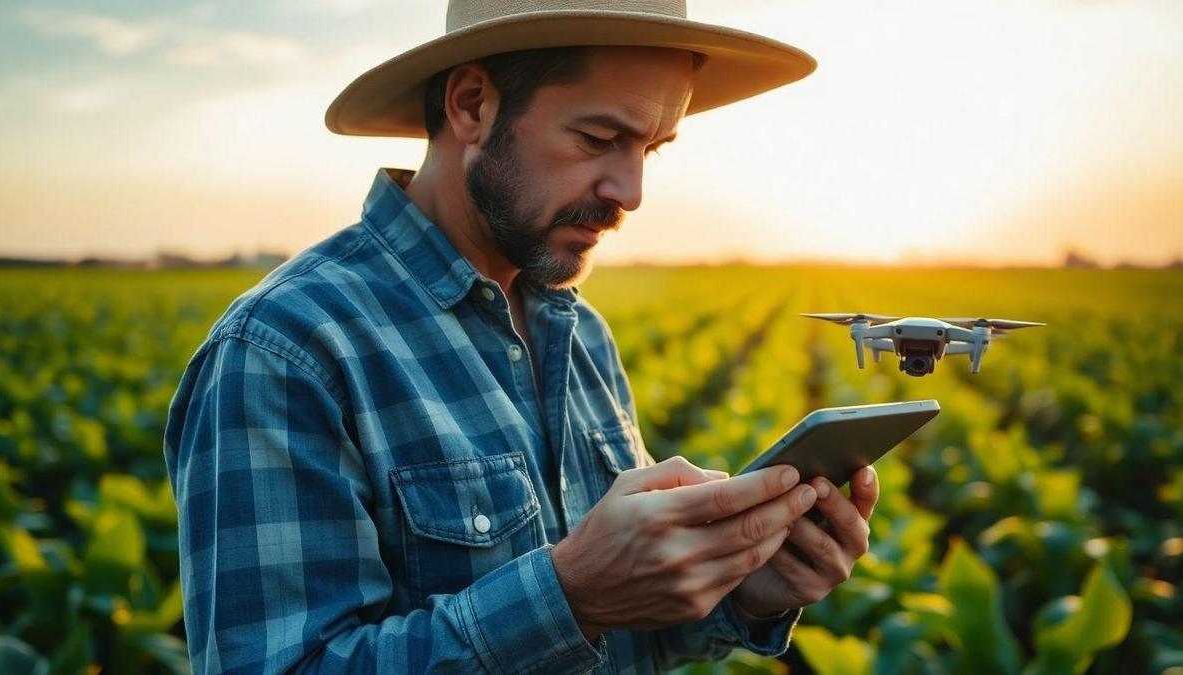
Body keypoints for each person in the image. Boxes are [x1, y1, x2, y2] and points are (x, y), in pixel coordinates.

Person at [164, 0, 879, 672]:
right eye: (598, 139)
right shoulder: (287, 350)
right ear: (473, 105)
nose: (630, 192)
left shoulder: (579, 331)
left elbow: (620, 636)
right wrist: (569, 597)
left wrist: (745, 592)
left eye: (652, 149)